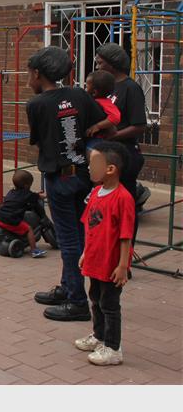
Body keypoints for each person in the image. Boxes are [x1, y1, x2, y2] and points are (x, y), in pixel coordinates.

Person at [26, 46, 108, 321]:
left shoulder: (36, 104)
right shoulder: (79, 95)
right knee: (78, 234)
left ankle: (77, 302)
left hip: (59, 178)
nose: (28, 78)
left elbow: (37, 139)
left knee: (69, 240)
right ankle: (68, 287)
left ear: (37, 73)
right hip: (83, 175)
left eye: (29, 73)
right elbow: (101, 123)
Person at [74, 141, 135, 366]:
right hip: (95, 260)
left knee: (109, 305)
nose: (90, 168)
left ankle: (112, 347)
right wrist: (85, 253)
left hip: (111, 264)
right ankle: (99, 336)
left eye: (94, 163)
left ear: (110, 169)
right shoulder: (97, 192)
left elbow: (126, 236)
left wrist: (122, 266)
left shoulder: (123, 198)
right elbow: (90, 227)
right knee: (95, 299)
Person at [95, 42, 149, 224]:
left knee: (123, 206)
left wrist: (113, 136)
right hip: (107, 153)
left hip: (125, 154)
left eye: (100, 63)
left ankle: (125, 246)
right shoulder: (105, 87)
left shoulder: (130, 88)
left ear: (112, 63)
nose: (97, 66)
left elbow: (139, 125)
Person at [0, 170, 47, 258]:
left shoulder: (11, 192)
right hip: (10, 220)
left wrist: (35, 194)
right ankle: (34, 250)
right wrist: (44, 196)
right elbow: (36, 197)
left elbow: (28, 196)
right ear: (26, 186)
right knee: (28, 229)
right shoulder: (27, 195)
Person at [84, 70, 121, 144]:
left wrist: (97, 126)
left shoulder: (104, 102)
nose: (84, 89)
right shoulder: (92, 101)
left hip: (97, 140)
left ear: (94, 92)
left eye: (86, 87)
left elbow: (115, 117)